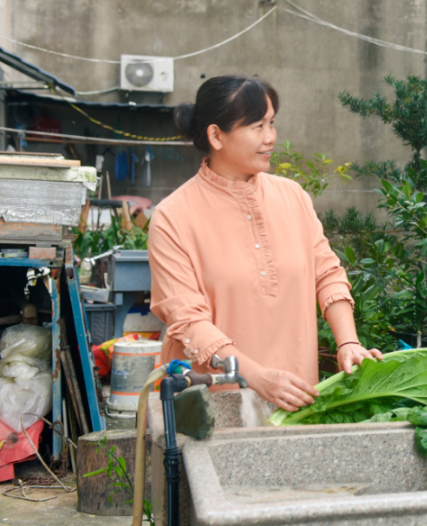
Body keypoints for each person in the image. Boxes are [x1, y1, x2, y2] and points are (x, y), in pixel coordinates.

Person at [148, 76, 381, 412]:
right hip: (215, 406)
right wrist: (256, 376)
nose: (270, 138)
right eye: (257, 126)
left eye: (271, 123)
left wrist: (349, 342)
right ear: (216, 135)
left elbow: (327, 274)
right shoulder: (173, 217)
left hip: (297, 396)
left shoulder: (293, 197)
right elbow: (189, 322)